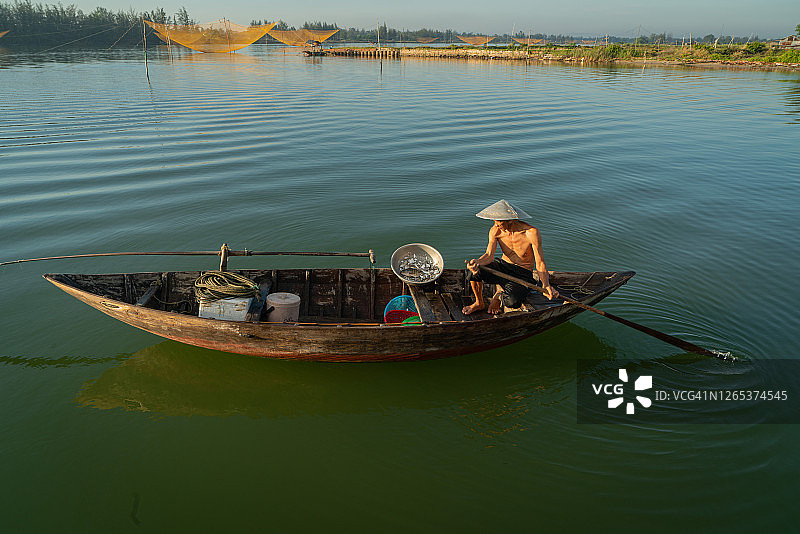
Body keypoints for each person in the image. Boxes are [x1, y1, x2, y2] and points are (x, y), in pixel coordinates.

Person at [463, 199, 560, 315]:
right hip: (503, 266)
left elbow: (540, 263)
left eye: (499, 222)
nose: (496, 225)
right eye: (494, 222)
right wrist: (477, 262)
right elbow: (489, 255)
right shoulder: (496, 231)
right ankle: (479, 303)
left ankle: (498, 296)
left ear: (510, 220)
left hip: (522, 273)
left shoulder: (531, 233)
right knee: (472, 274)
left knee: (512, 302)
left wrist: (546, 285)